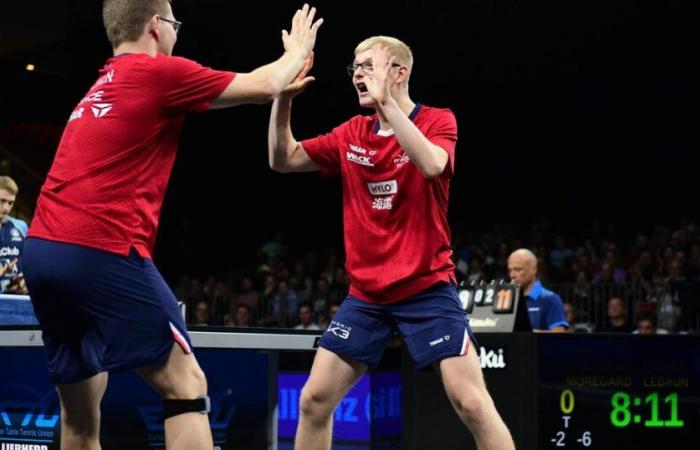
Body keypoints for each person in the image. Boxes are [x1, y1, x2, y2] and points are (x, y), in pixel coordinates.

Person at [22, 2, 322, 450]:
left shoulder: (100, 85)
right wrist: (298, 49)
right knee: (187, 386)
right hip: (100, 247)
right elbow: (267, 84)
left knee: (81, 419)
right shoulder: (156, 73)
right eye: (175, 25)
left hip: (43, 250)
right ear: (157, 27)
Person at [269, 36, 514, 450]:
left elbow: (433, 164)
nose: (358, 75)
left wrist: (388, 106)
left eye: (369, 66)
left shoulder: (439, 120)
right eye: (355, 68)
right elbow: (282, 159)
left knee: (470, 402)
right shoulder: (351, 134)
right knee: (313, 400)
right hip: (366, 297)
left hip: (427, 288)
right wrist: (282, 99)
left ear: (399, 72)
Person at [508, 248, 569, 332]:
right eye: (510, 270)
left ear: (534, 269)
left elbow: (559, 334)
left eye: (518, 269)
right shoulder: (508, 299)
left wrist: (528, 335)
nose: (512, 275)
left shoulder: (550, 299)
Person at [0, 176, 28, 294]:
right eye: (1, 201)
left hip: (17, 301)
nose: (6, 208)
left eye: (10, 203)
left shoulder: (21, 227)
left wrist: (26, 282)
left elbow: (28, 263)